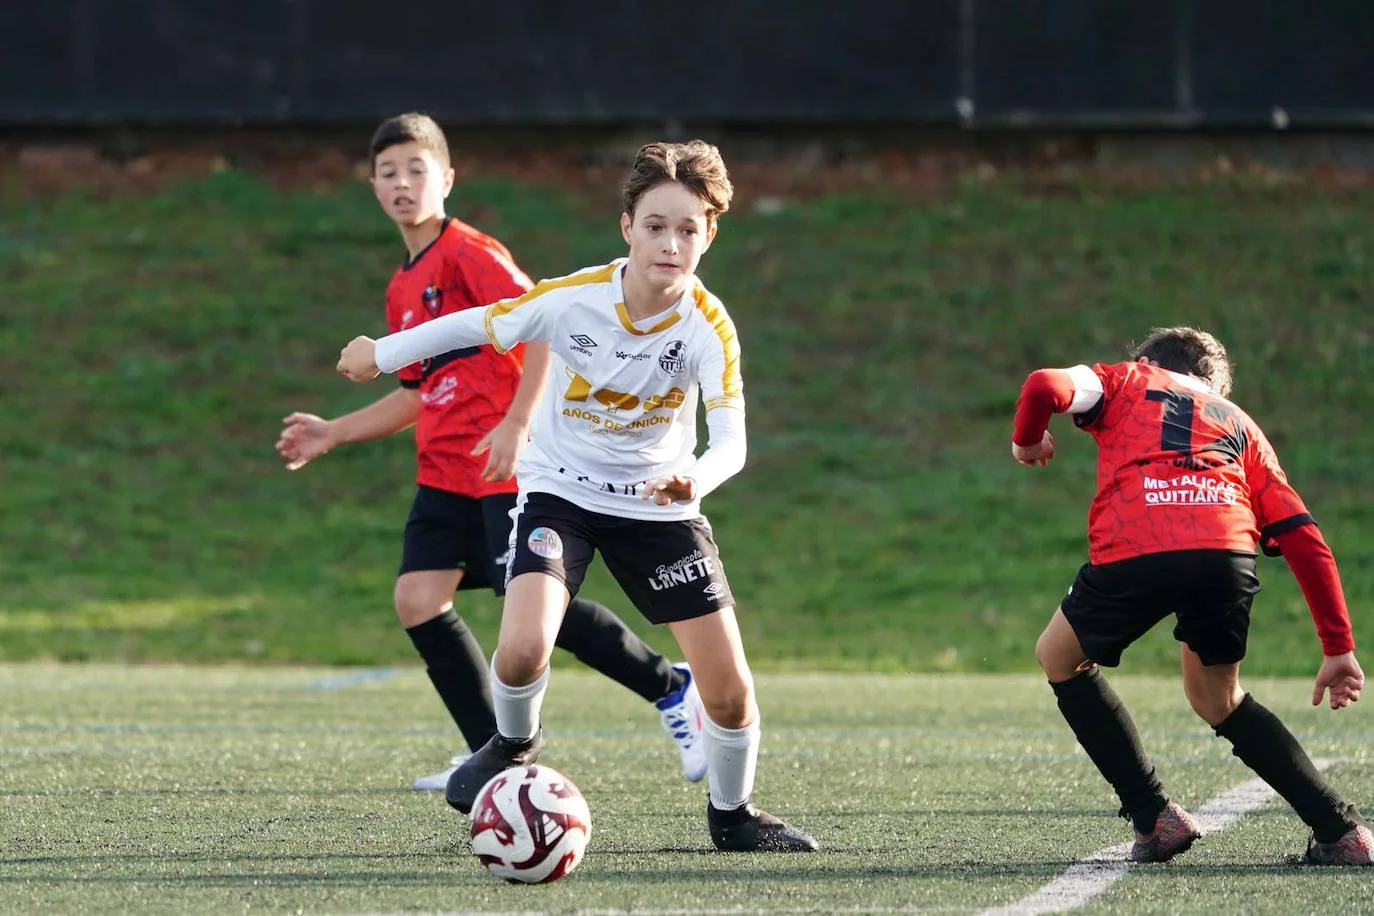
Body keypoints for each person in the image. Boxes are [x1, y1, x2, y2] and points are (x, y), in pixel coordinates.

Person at [336, 139, 817, 853]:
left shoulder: (710, 327)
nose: (671, 243)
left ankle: (732, 816)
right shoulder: (573, 299)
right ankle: (510, 744)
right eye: (656, 225)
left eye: (688, 229)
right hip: (560, 493)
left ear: (709, 235)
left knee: (730, 692)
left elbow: (734, 441)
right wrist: (383, 351)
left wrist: (698, 479)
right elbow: (477, 325)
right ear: (627, 226)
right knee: (524, 647)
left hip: (660, 508)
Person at [277, 113, 706, 792]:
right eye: (388, 172)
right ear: (372, 187)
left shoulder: (471, 254)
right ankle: (490, 754)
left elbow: (541, 325)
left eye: (417, 169)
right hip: (444, 470)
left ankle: (671, 687)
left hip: (504, 464)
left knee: (532, 606)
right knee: (418, 599)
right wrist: (336, 430)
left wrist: (515, 420)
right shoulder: (402, 286)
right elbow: (419, 392)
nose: (402, 183)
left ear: (446, 179)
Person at [1011, 326, 1370, 866]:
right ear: (1212, 384)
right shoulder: (1240, 425)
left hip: (1139, 542)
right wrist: (1338, 648)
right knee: (1219, 699)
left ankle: (1153, 816)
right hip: (1224, 552)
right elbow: (1304, 538)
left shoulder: (1124, 378)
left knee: (1058, 657)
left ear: (1150, 360)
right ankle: (1342, 832)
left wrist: (1028, 439)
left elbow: (1043, 384)